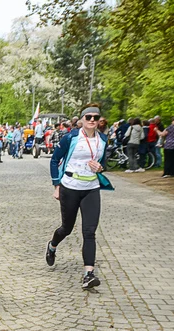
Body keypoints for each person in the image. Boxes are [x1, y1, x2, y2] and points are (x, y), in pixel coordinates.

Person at [46, 103, 113, 290]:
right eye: (88, 117)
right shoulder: (71, 138)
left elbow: (104, 164)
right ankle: (52, 246)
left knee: (89, 232)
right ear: (82, 119)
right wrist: (56, 185)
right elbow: (54, 160)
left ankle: (88, 274)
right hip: (70, 186)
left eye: (96, 117)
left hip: (91, 187)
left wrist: (100, 168)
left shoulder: (104, 139)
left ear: (100, 121)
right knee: (66, 228)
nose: (92, 120)